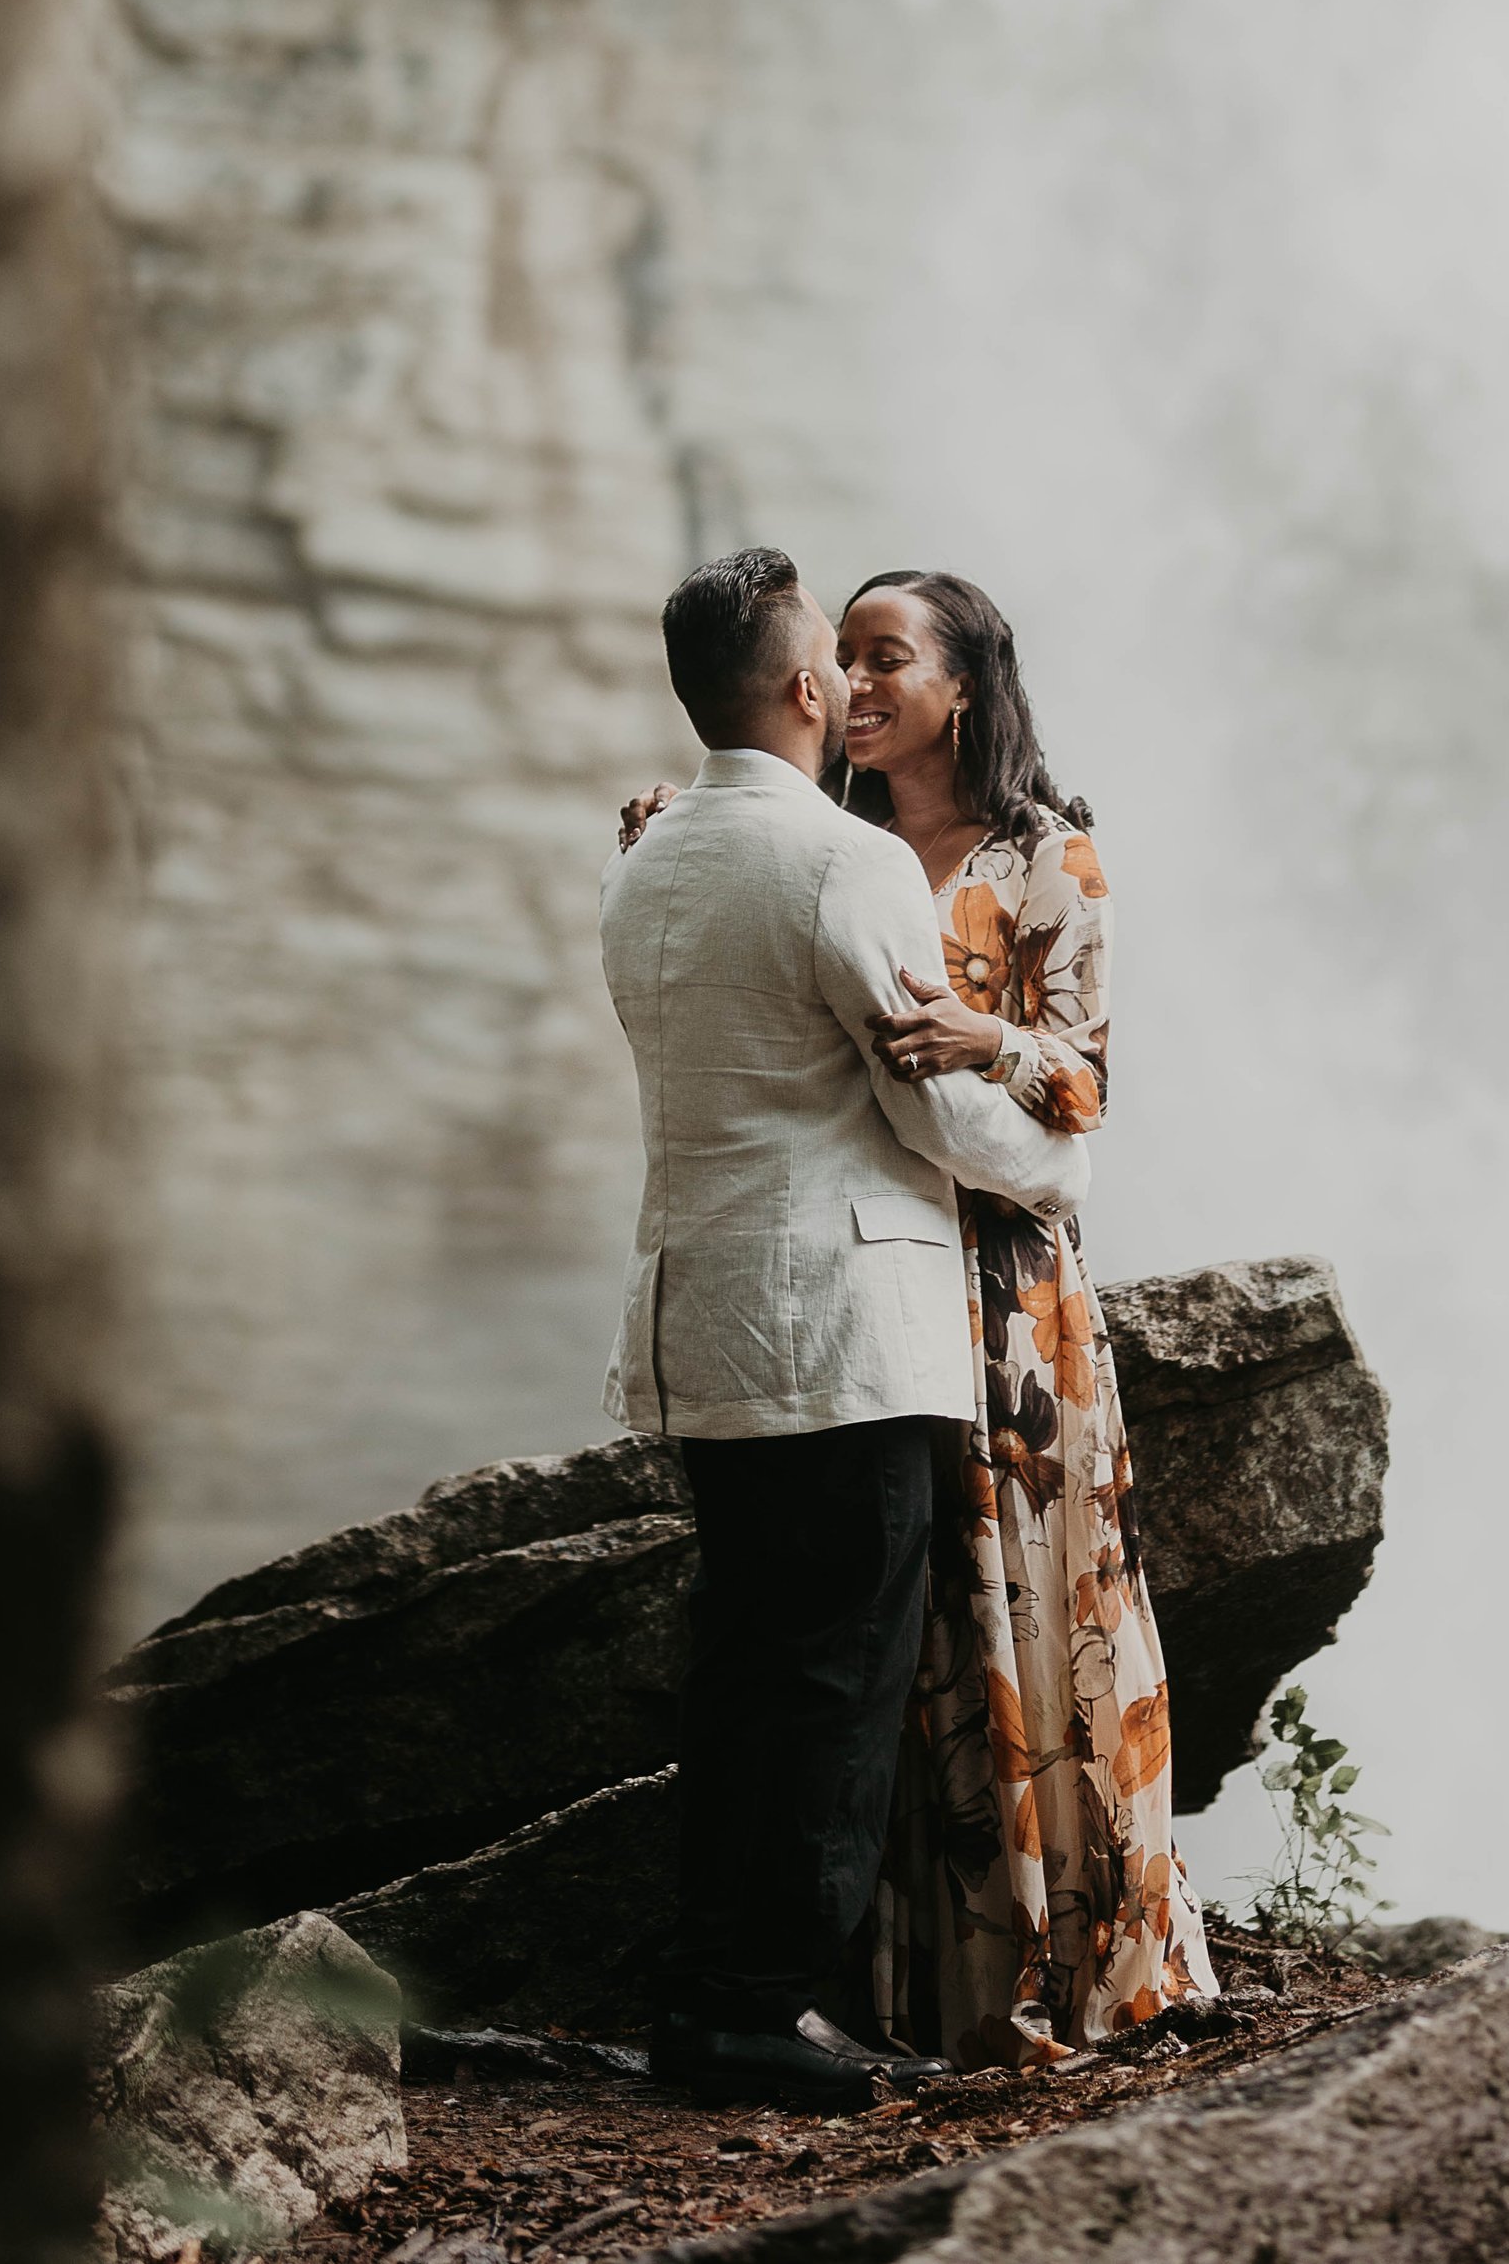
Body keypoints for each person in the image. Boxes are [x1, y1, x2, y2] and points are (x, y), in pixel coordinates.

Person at [621, 569, 1218, 2067]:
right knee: (899, 1650)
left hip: (999, 1286)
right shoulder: (844, 848)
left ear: (968, 684)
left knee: (1020, 1611)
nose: (863, 681)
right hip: (875, 1290)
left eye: (895, 657)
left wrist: (995, 1035)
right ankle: (880, 1989)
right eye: (850, 655)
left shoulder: (1047, 858)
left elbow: (1083, 1081)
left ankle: (1051, 1953)